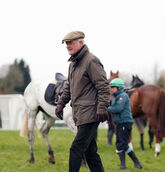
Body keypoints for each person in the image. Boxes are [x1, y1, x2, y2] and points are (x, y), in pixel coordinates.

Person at [55, 31, 110, 172]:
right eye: (66, 43)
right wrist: (61, 103)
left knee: (76, 149)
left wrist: (102, 107)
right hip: (80, 114)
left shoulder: (91, 61)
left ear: (81, 43)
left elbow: (103, 86)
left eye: (71, 42)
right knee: (90, 153)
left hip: (91, 114)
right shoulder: (73, 64)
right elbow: (69, 87)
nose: (68, 46)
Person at [107, 78, 142, 170]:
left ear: (118, 88)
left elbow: (118, 108)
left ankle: (137, 163)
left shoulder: (123, 96)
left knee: (123, 144)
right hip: (119, 124)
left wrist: (106, 108)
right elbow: (109, 102)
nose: (111, 89)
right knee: (118, 144)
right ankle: (123, 165)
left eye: (112, 87)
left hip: (125, 123)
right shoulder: (116, 97)